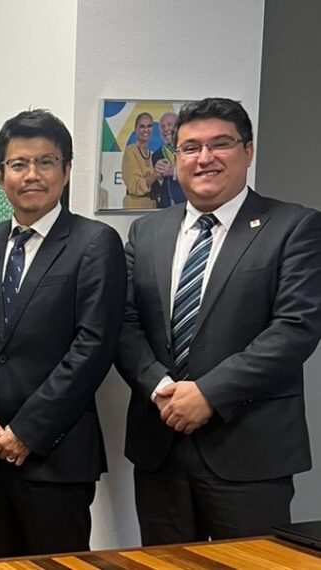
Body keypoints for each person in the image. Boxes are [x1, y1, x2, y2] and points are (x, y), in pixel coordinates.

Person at [116, 97, 321, 545]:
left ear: (247, 152)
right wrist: (160, 387)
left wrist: (209, 393)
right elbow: (124, 323)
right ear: (177, 158)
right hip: (161, 444)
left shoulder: (294, 227)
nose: (204, 158)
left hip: (248, 451)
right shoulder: (146, 232)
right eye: (190, 148)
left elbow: (295, 329)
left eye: (220, 144)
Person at [0, 109, 125, 558]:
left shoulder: (94, 243)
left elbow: (92, 348)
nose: (32, 175)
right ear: (2, 174)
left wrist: (27, 431)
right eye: (19, 164)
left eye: (46, 163)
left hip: (56, 457)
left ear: (66, 171)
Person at [122, 112, 160, 209]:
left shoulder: (151, 154)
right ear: (135, 129)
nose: (146, 130)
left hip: (151, 206)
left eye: (149, 126)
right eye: (142, 126)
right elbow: (136, 185)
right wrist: (156, 175)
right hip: (135, 205)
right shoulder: (130, 151)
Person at [150, 111, 186, 208]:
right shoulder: (157, 155)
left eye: (170, 125)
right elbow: (157, 188)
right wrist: (158, 176)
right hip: (166, 209)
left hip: (189, 205)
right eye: (162, 126)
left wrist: (173, 171)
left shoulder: (190, 150)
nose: (166, 129)